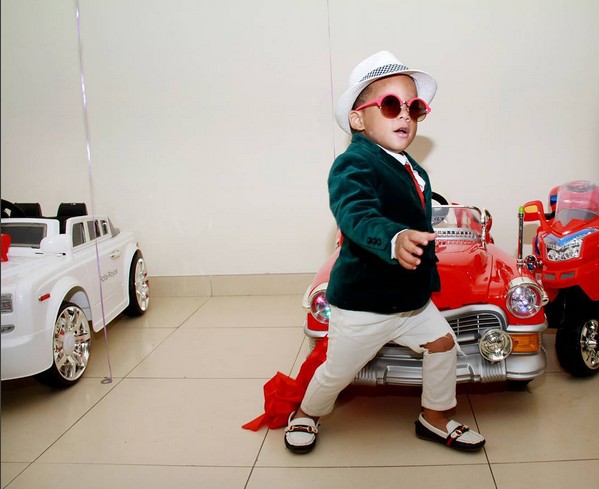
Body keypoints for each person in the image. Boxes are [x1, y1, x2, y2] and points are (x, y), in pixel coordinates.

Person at [284, 51, 485, 454]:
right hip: (366, 303)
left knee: (443, 345)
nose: (405, 114)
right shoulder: (353, 163)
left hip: (410, 301)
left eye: (415, 107)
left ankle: (434, 416)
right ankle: (307, 412)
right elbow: (356, 213)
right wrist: (394, 238)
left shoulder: (410, 166)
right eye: (391, 105)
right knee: (338, 371)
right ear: (358, 119)